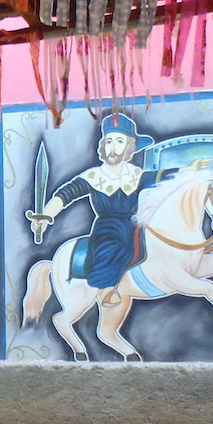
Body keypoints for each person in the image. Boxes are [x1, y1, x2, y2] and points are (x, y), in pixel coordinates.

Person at [26, 113, 169, 307]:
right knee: (114, 243)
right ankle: (106, 287)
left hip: (134, 222)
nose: (113, 147)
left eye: (119, 141)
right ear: (103, 146)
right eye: (109, 141)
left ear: (129, 147)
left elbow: (160, 177)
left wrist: (189, 170)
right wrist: (46, 215)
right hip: (108, 226)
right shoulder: (94, 176)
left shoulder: (136, 175)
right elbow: (66, 194)